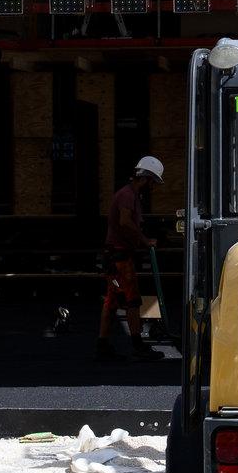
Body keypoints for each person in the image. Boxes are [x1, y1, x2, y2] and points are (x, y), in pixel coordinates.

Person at [96, 155, 164, 361]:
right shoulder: (128, 195)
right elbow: (125, 222)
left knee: (112, 301)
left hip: (116, 257)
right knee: (132, 300)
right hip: (120, 260)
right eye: (152, 182)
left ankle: (103, 345)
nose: (152, 187)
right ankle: (137, 345)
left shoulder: (130, 195)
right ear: (145, 178)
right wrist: (145, 240)